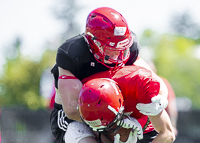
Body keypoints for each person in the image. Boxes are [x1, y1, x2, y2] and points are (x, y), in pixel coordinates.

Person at [50, 7, 170, 143]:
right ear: (93, 43)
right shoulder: (72, 55)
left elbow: (155, 82)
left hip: (116, 112)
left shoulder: (129, 48)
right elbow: (72, 110)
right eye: (111, 50)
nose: (118, 56)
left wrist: (158, 101)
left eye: (122, 50)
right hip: (78, 117)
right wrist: (119, 123)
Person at [78, 66, 175, 143]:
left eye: (112, 122)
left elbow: (167, 134)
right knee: (74, 130)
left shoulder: (140, 83)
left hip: (147, 129)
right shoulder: (85, 90)